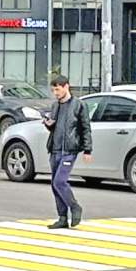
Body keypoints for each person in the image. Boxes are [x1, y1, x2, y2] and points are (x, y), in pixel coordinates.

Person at [42, 75, 91, 229]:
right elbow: (54, 126)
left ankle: (75, 207)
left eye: (57, 89)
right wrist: (48, 124)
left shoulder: (79, 105)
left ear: (66, 87)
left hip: (69, 150)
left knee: (60, 181)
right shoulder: (55, 106)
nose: (55, 93)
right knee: (54, 184)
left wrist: (87, 149)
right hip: (55, 149)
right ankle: (62, 217)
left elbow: (86, 128)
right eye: (53, 90)